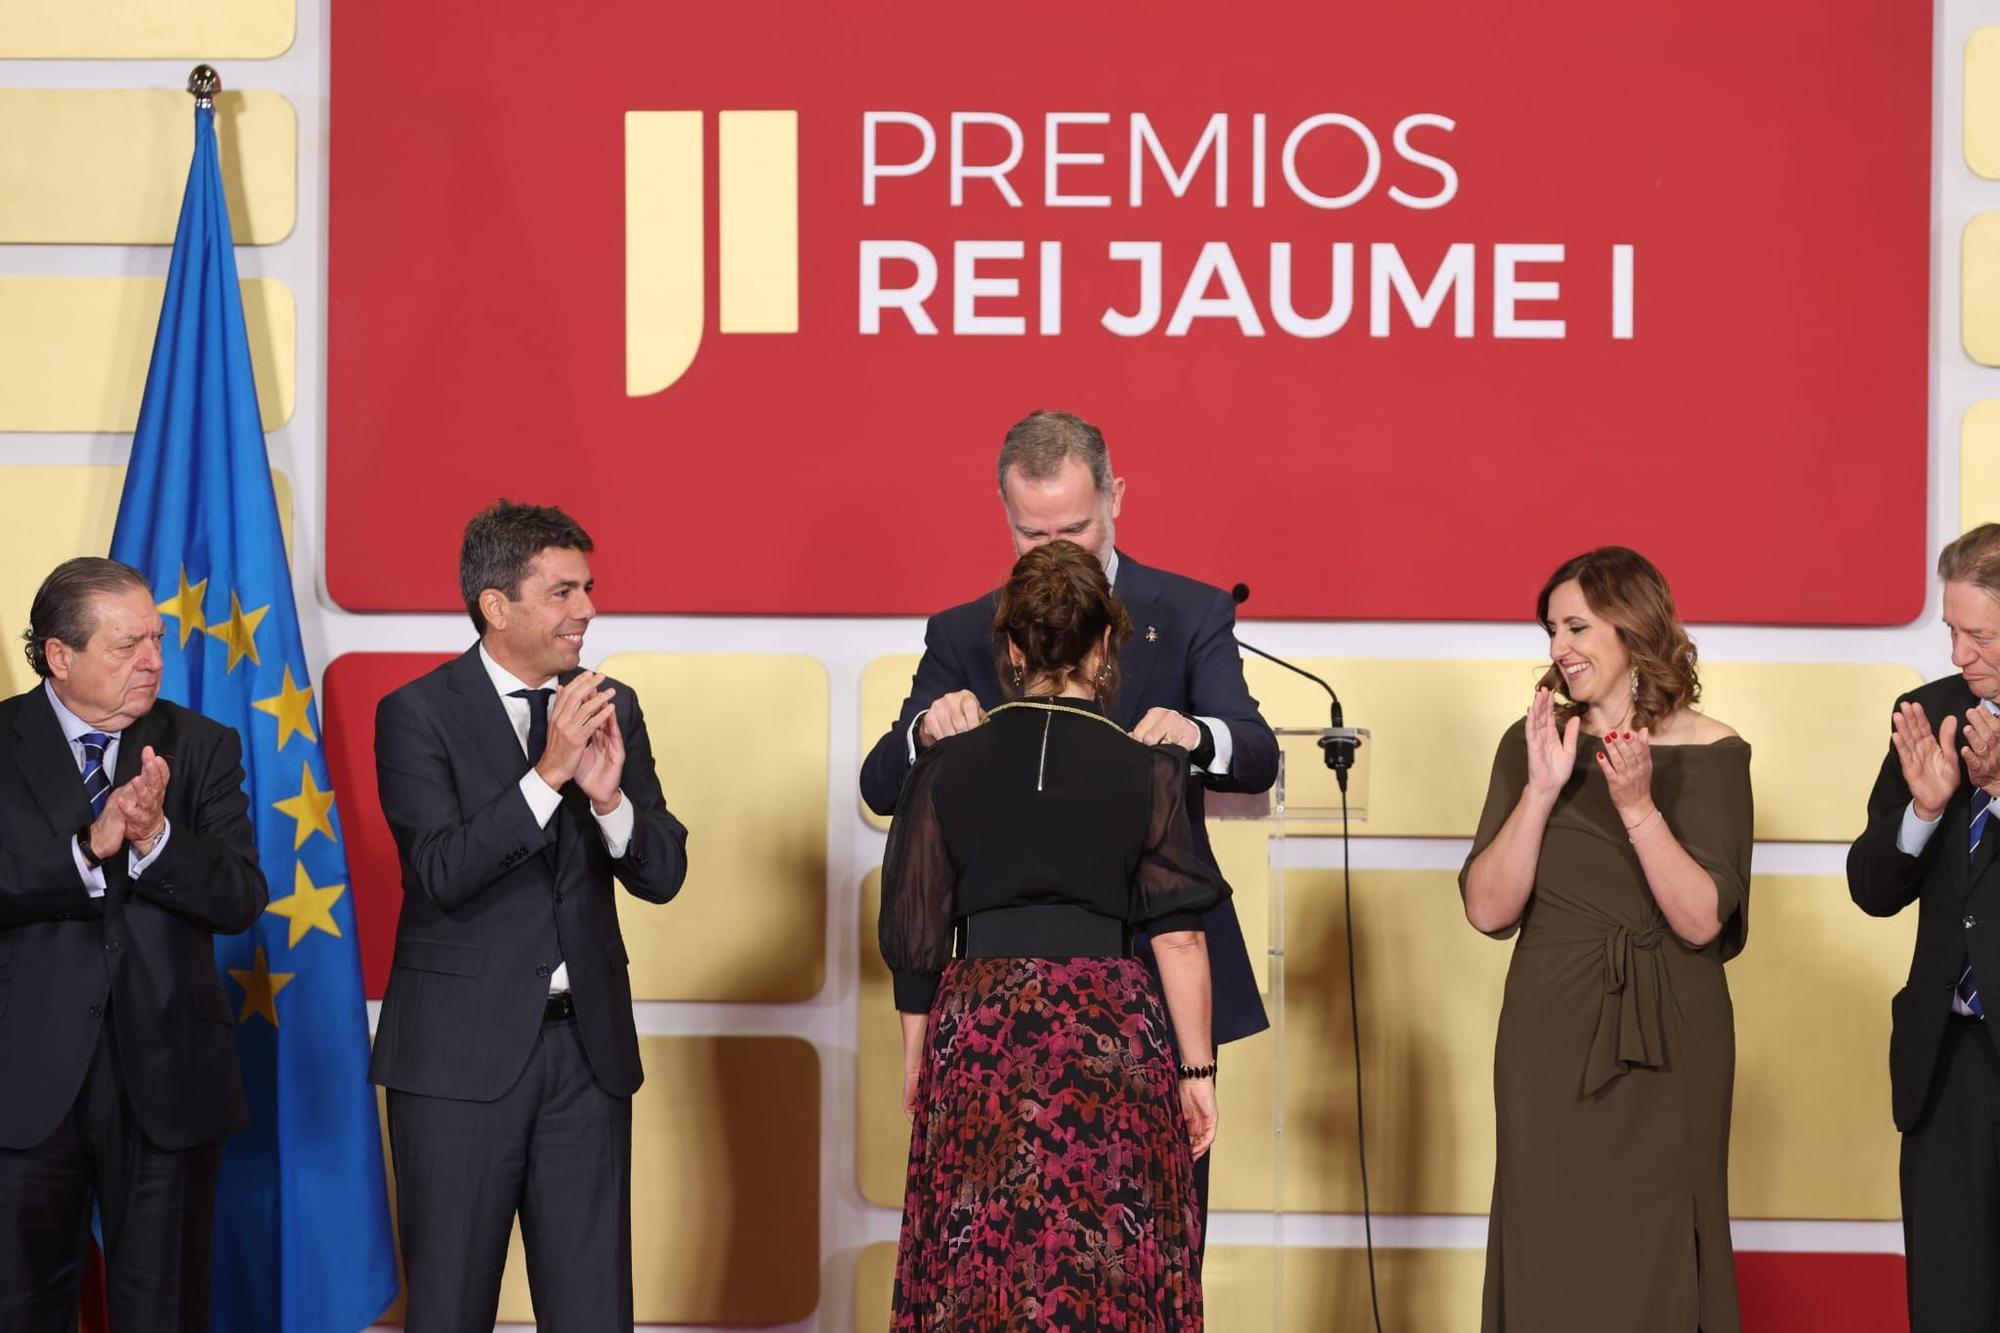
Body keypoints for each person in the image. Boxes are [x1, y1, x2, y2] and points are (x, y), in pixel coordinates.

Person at [860, 408, 1275, 1223]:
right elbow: (884, 785)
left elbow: (1256, 752)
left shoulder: (1189, 612)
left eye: (1075, 527)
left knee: (1156, 1226)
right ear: (1006, 518)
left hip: (1156, 979)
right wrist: (922, 729)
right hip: (1003, 995)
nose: (1054, 551)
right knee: (1001, 1240)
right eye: (1032, 532)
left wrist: (1198, 734)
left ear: (1116, 497)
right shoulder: (963, 630)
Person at [880, 539, 1223, 1328]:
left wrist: (918, 1055)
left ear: (1009, 646)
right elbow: (1178, 936)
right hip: (1107, 1027)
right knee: (1103, 1260)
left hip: (981, 1029)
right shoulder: (1151, 768)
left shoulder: (943, 766)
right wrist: (1196, 1068)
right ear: (1106, 644)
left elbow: (916, 924)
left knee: (982, 1256)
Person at [370, 501, 689, 1332]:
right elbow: (440, 870)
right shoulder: (414, 714)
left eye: (588, 587)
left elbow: (664, 872)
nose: (585, 609)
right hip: (455, 1066)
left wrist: (611, 799)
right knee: (449, 1307)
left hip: (586, 1058)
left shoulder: (613, 704)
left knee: (593, 1312)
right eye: (562, 591)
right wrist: (546, 777)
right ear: (496, 606)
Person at [1459, 546, 1751, 1333]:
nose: (1559, 647)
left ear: (1633, 628)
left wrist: (1636, 806)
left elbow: (1700, 918)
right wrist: (1544, 789)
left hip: (1673, 1039)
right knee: (1548, 1240)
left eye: (1577, 624)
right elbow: (1487, 909)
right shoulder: (1533, 745)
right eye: (1552, 628)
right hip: (1548, 1039)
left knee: (1664, 1245)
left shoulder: (1715, 751)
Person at [0, 557, 267, 1331]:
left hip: (167, 1082)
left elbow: (241, 898)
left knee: (166, 1313)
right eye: (127, 645)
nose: (153, 659)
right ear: (59, 654)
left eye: (157, 637)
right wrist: (90, 848)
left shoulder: (202, 744)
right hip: (23, 1085)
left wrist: (155, 839)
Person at [1847, 522, 2000, 1331]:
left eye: (1979, 633)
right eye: (1951, 628)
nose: (1961, 651)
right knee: (1948, 1303)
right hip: (1945, 1061)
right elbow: (1871, 887)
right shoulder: (1928, 712)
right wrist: (1924, 810)